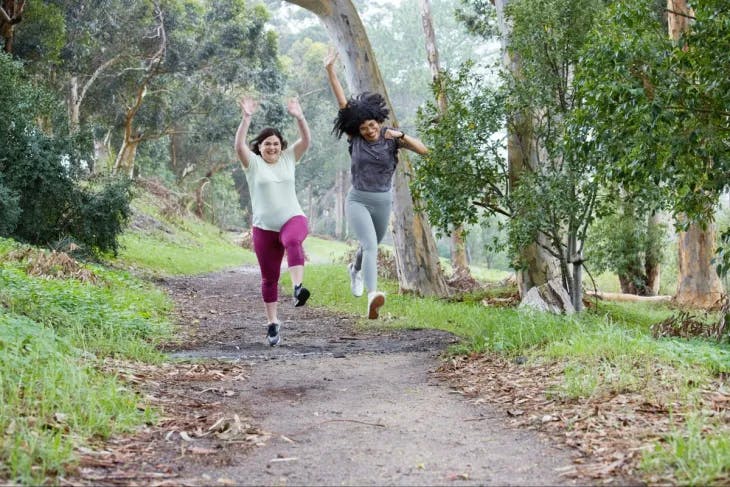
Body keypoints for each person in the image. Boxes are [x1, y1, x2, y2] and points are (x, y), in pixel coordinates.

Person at [324, 47, 429, 319]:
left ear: (377, 122)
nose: (369, 131)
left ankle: (355, 270)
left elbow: (424, 150)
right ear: (357, 130)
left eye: (371, 126)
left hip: (383, 201)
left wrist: (402, 135)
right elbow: (343, 105)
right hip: (358, 199)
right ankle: (373, 295)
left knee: (369, 247)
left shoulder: (391, 137)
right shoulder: (355, 139)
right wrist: (330, 71)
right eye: (363, 128)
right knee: (370, 245)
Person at [234, 95, 311, 346]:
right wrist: (246, 118)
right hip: (263, 228)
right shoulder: (253, 164)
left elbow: (307, 140)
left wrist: (299, 116)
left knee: (291, 240)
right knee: (269, 278)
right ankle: (272, 323)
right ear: (260, 146)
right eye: (268, 144)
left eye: (276, 144)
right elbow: (239, 146)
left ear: (281, 145)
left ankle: (298, 288)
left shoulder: (289, 158)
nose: (272, 148)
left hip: (293, 218)